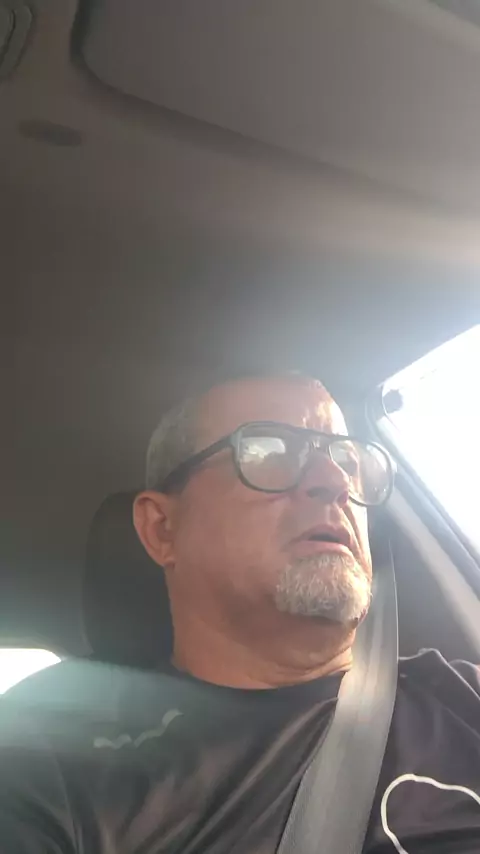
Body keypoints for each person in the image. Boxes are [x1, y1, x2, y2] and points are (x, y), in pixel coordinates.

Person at [2, 373, 480, 853]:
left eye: (347, 461)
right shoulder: (47, 756)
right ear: (163, 528)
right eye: (269, 451)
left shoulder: (462, 696)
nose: (335, 481)